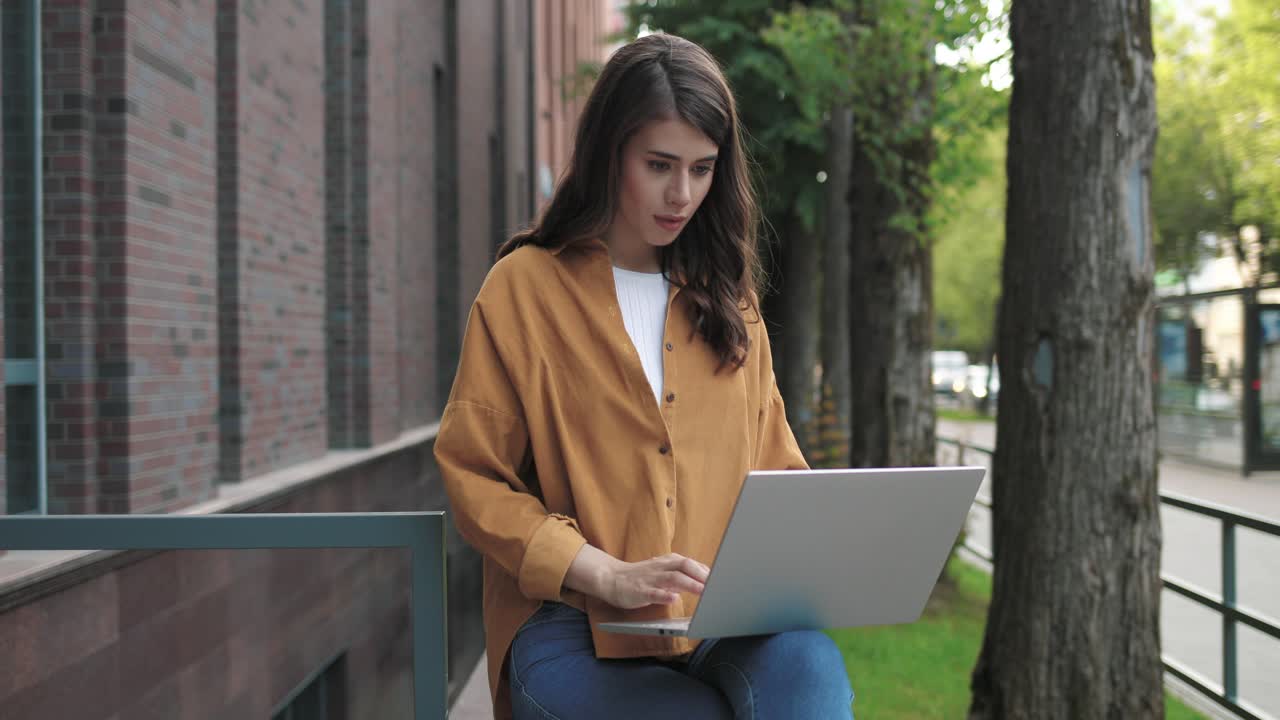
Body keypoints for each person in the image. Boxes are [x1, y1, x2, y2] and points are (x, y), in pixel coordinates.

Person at [435, 32, 855, 720]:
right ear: (610, 153)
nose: (681, 193)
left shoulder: (731, 302)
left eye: (702, 167)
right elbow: (472, 474)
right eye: (659, 164)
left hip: (722, 616)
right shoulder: (523, 290)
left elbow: (779, 469)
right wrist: (600, 570)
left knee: (813, 678)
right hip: (571, 619)